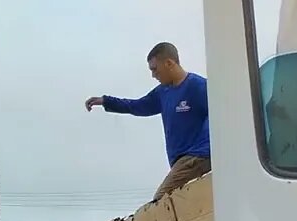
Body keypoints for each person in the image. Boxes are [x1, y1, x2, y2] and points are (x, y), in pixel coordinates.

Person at [86, 42, 211, 205]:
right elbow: (137, 106)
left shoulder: (198, 86)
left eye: (154, 69)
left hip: (197, 156)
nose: (153, 75)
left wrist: (205, 146)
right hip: (179, 162)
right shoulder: (163, 92)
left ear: (169, 63)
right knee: (185, 203)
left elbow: (220, 114)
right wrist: (106, 101)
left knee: (161, 201)